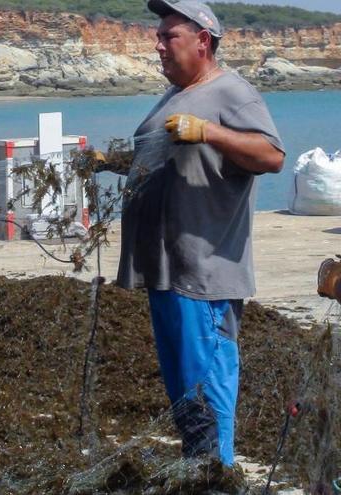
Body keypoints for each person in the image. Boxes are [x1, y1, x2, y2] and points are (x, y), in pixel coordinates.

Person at [115, 0, 285, 466]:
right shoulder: (174, 95)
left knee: (207, 389)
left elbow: (271, 156)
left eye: (169, 36)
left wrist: (209, 131)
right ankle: (200, 473)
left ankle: (217, 477)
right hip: (164, 271)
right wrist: (112, 164)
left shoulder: (232, 93)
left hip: (203, 273)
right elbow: (164, 156)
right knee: (184, 396)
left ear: (203, 41)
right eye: (160, 35)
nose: (158, 44)